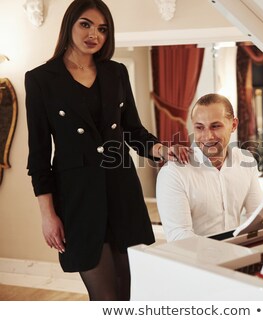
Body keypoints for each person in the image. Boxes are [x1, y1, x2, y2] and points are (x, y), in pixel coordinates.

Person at [24, 0, 189, 301]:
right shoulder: (41, 80)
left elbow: (134, 131)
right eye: (85, 24)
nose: (94, 34)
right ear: (70, 25)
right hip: (77, 199)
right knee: (105, 297)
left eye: (102, 29)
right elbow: (38, 155)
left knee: (131, 292)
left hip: (122, 191)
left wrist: (163, 150)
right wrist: (48, 215)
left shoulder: (116, 73)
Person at [156, 93, 263, 242]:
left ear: (233, 125)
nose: (207, 136)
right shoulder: (173, 172)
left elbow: (257, 218)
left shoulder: (246, 160)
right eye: (199, 128)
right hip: (195, 262)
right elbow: (179, 237)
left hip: (239, 255)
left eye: (215, 126)